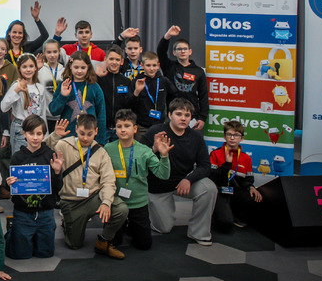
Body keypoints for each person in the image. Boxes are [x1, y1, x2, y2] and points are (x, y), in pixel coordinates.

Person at [46, 115, 127, 259]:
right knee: (74, 244)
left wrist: (106, 202)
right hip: (71, 201)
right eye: (82, 133)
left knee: (121, 209)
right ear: (76, 129)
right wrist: (54, 136)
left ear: (96, 132)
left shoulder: (101, 152)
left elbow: (108, 180)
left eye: (89, 134)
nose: (85, 138)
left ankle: (104, 241)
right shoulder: (64, 145)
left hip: (92, 198)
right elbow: (41, 150)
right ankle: (67, 222)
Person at [142, 98, 217, 245]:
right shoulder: (156, 131)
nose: (183, 118)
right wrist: (154, 149)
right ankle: (150, 210)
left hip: (183, 183)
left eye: (187, 115)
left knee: (209, 189)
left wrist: (189, 179)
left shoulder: (196, 137)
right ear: (170, 115)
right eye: (179, 114)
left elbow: (205, 166)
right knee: (163, 228)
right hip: (158, 187)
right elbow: (137, 159)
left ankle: (199, 233)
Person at [103, 110, 171, 250]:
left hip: (138, 204)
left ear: (135, 129)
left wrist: (164, 156)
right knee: (114, 242)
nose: (123, 130)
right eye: (119, 126)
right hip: (117, 203)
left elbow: (163, 175)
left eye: (127, 126)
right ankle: (123, 225)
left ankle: (131, 226)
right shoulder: (108, 149)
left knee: (144, 245)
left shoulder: (144, 151)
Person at [5, 116, 63, 259]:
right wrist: (10, 183)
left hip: (45, 213)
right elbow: (13, 189)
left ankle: (34, 237)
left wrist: (57, 172)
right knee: (20, 255)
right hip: (23, 213)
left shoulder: (50, 155)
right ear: (24, 134)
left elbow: (57, 188)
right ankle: (12, 232)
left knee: (45, 254)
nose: (35, 138)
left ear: (44, 135)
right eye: (31, 133)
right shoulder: (17, 157)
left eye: (39, 134)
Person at [209, 120, 262, 230]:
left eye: (236, 135)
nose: (232, 138)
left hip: (235, 192)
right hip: (220, 192)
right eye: (229, 134)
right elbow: (212, 178)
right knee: (225, 224)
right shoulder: (215, 154)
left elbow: (248, 179)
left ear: (241, 138)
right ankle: (219, 214)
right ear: (224, 137)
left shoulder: (246, 158)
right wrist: (227, 164)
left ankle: (235, 214)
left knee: (254, 197)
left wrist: (251, 187)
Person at [49, 51, 108, 143]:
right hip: (67, 137)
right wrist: (63, 96)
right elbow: (54, 111)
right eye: (76, 67)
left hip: (89, 138)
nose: (79, 71)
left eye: (83, 67)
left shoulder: (94, 87)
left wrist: (100, 141)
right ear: (70, 66)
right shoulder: (64, 85)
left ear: (88, 67)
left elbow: (101, 115)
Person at [157, 25, 208, 130]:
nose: (183, 51)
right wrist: (168, 36)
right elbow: (161, 51)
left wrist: (202, 118)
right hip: (172, 114)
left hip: (192, 116)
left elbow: (203, 96)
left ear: (190, 51)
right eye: (179, 49)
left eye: (185, 49)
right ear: (174, 52)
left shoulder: (199, 71)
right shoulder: (169, 67)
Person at [0, 53, 48, 151]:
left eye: (31, 66)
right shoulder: (16, 86)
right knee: (21, 157)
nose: (28, 69)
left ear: (35, 68)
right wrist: (17, 90)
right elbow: (4, 107)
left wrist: (45, 134)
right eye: (24, 67)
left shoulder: (40, 87)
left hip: (37, 126)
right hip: (20, 127)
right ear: (19, 69)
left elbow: (42, 113)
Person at [132, 52, 177, 137]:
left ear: (158, 66)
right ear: (142, 65)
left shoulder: (164, 81)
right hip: (142, 127)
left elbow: (174, 97)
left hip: (160, 126)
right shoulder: (137, 81)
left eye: (154, 65)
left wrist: (169, 113)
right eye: (148, 65)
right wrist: (137, 92)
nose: (151, 69)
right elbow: (129, 103)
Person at [98, 45, 136, 142]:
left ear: (122, 62)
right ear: (105, 59)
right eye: (111, 59)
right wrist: (96, 76)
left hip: (120, 128)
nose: (114, 62)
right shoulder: (99, 79)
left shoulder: (127, 82)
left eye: (117, 60)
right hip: (103, 127)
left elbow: (130, 104)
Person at [37, 39, 66, 131]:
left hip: (61, 116)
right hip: (44, 116)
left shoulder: (64, 71)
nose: (52, 55)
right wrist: (36, 70)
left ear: (59, 52)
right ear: (44, 53)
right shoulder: (40, 70)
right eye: (49, 52)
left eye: (55, 52)